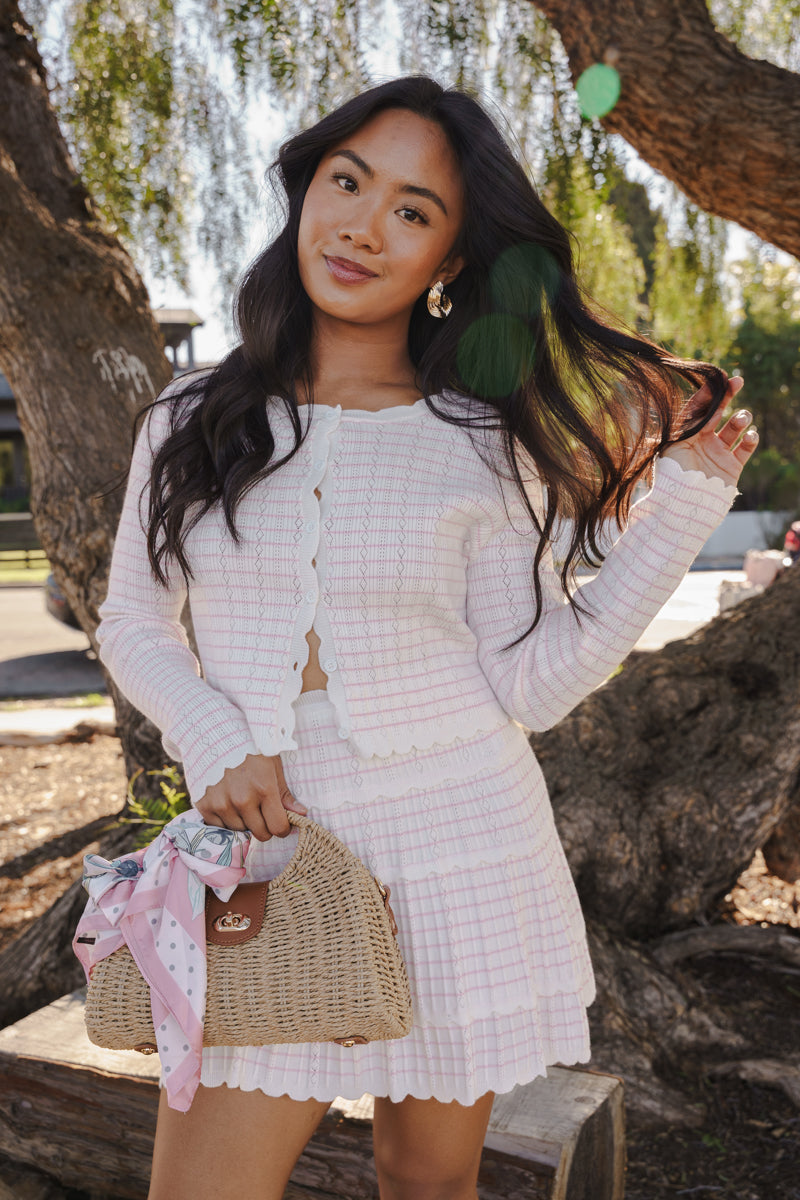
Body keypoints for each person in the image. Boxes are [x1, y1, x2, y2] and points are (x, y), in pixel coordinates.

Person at [93, 74, 758, 1200]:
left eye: (412, 209)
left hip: (461, 840)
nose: (361, 224)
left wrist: (684, 508)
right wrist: (214, 742)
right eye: (346, 182)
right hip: (267, 856)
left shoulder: (485, 442)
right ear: (305, 189)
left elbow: (531, 683)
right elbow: (132, 621)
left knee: (426, 1183)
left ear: (450, 261)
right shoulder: (190, 416)